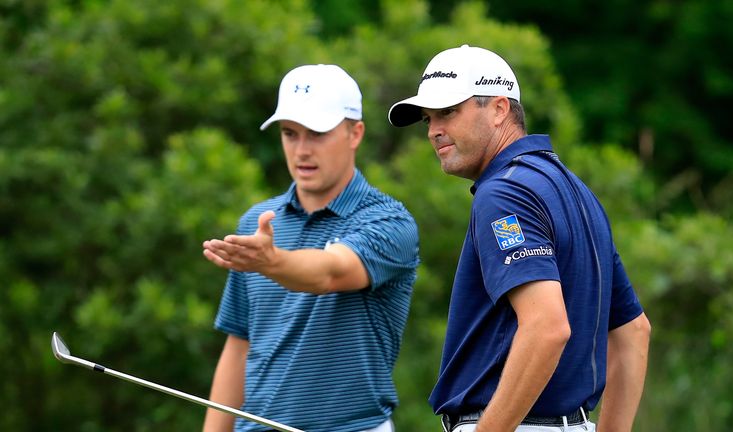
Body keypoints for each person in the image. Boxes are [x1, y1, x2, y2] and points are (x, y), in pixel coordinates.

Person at [388, 45, 651, 432]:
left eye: (448, 112)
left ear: (498, 109)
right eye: (428, 119)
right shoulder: (576, 191)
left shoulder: (503, 193)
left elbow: (547, 327)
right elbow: (633, 332)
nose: (433, 131)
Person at [202, 63, 420, 432]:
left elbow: (330, 272)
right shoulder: (259, 223)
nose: (301, 150)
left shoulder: (390, 222)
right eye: (290, 133)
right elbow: (238, 346)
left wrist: (271, 262)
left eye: (317, 133)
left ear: (355, 133)